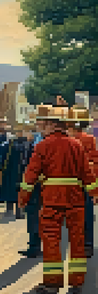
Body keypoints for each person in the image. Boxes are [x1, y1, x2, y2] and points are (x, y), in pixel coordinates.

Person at [18, 105, 98, 294]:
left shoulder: (43, 145)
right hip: (75, 199)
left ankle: (52, 284)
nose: (40, 127)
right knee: (77, 240)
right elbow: (87, 173)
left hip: (52, 199)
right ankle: (77, 281)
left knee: (51, 240)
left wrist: (23, 198)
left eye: (42, 124)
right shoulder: (77, 145)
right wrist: (94, 192)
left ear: (51, 125)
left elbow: (31, 175)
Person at [19, 110, 52, 258]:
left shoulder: (43, 141)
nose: (37, 126)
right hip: (40, 183)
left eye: (40, 123)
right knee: (34, 214)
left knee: (36, 214)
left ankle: (36, 246)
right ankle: (35, 244)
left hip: (40, 184)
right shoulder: (36, 139)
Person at [66, 107, 97, 258]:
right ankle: (87, 245)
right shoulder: (90, 139)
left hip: (68, 185)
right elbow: (94, 163)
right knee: (87, 215)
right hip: (85, 183)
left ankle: (77, 244)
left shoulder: (68, 140)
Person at [0, 124, 33, 219]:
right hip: (16, 170)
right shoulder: (24, 144)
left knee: (15, 190)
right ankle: (14, 210)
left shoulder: (13, 144)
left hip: (16, 171)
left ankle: (15, 210)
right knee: (16, 190)